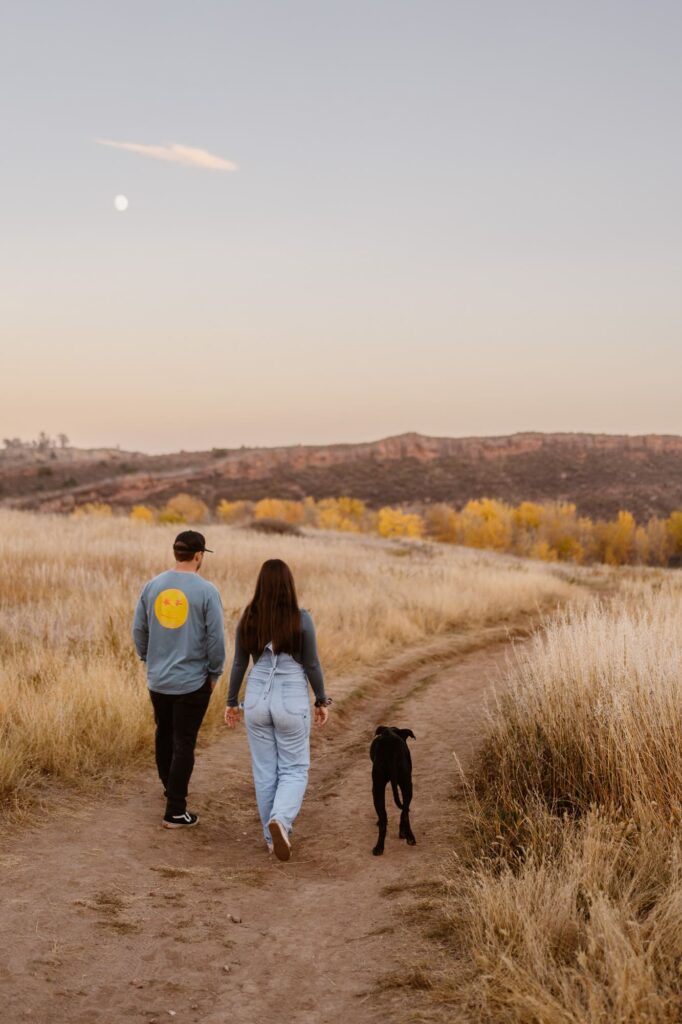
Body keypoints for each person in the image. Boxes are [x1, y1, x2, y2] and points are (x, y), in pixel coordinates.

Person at [224, 559, 332, 861]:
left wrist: (231, 702)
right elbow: (311, 664)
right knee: (295, 768)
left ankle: (271, 839)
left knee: (264, 771)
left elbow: (238, 664)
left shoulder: (248, 617)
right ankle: (281, 821)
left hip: (257, 696)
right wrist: (322, 700)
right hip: (290, 697)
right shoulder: (301, 618)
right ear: (289, 585)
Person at [133, 530, 225, 829]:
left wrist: (150, 659)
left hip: (158, 679)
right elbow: (215, 640)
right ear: (199, 555)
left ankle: (169, 786)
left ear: (176, 553)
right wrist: (214, 672)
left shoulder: (152, 586)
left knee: (164, 732)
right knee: (184, 741)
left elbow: (139, 631)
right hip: (192, 681)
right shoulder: (207, 590)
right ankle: (175, 810)